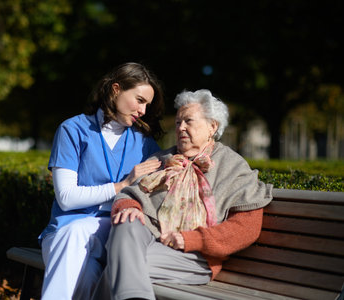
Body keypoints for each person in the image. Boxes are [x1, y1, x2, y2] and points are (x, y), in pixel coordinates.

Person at [93, 89, 273, 300]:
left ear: (212, 126)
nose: (181, 128)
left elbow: (247, 227)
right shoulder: (161, 159)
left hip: (194, 256)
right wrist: (128, 207)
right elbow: (128, 195)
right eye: (178, 122)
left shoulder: (232, 167)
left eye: (188, 121)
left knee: (122, 262)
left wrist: (192, 239)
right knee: (126, 224)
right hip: (148, 240)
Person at [38, 62, 165, 300]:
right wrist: (123, 184)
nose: (143, 110)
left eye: (147, 104)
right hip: (63, 234)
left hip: (113, 233)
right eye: (139, 100)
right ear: (115, 89)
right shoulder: (72, 130)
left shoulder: (145, 143)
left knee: (77, 232)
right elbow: (66, 199)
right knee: (86, 278)